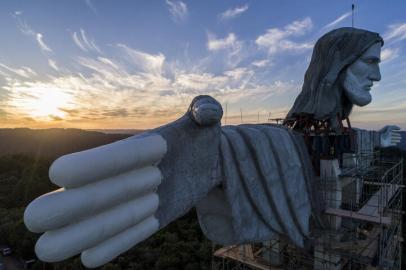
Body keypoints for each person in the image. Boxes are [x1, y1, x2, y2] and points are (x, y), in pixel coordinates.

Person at [23, 28, 401, 268]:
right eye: (370, 62)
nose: (378, 75)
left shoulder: (336, 128)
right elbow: (292, 140)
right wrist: (216, 152)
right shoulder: (298, 133)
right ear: (337, 66)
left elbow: (335, 142)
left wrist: (378, 137)